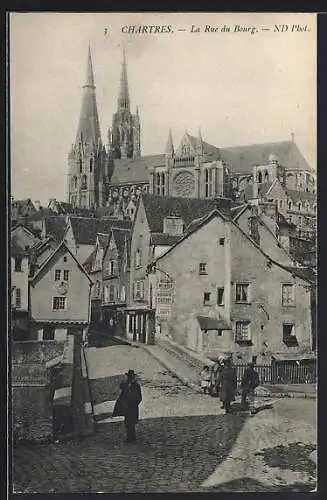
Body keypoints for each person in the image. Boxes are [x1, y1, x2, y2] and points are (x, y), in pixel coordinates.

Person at [112, 369, 142, 443]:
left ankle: (131, 437)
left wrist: (135, 404)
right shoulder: (126, 384)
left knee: (131, 422)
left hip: (133, 407)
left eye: (130, 377)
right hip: (127, 407)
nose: (130, 378)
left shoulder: (136, 385)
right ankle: (130, 437)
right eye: (129, 377)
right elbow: (121, 386)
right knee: (127, 422)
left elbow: (139, 397)